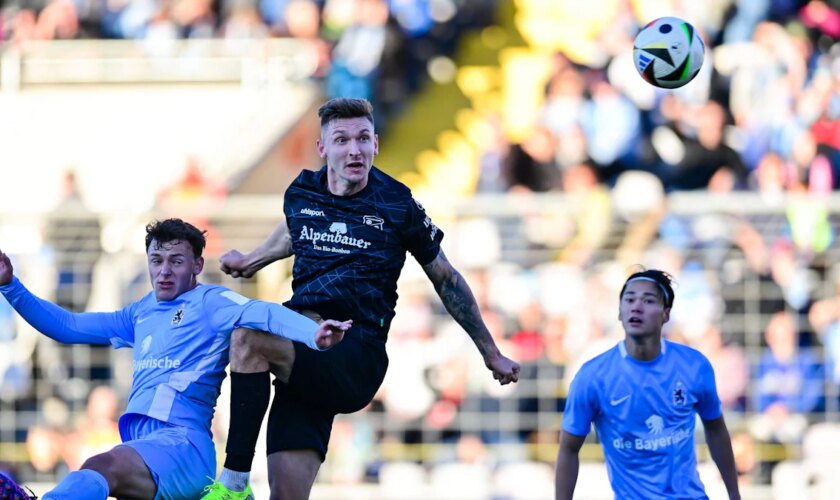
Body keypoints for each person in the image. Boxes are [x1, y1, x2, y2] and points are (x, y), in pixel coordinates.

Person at [202, 97, 520, 500]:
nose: (354, 149)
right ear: (323, 149)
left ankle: (231, 486)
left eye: (363, 138)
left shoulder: (396, 203)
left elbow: (446, 278)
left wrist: (490, 352)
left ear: (376, 144)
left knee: (247, 335)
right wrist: (253, 260)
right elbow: (295, 230)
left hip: (355, 352)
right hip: (303, 345)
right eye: (341, 140)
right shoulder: (302, 192)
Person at [0, 218, 350, 500]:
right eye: (156, 260)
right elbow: (68, 326)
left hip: (183, 447)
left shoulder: (211, 302)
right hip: (144, 447)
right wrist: (10, 285)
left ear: (197, 264)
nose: (164, 271)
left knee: (100, 466)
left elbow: (266, 314)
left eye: (176, 261)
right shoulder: (140, 313)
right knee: (104, 469)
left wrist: (313, 335)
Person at [555, 269, 741, 500]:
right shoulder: (592, 377)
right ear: (619, 313)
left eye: (648, 300)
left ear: (666, 314)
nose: (636, 306)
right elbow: (568, 449)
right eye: (629, 299)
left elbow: (716, 429)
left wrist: (734, 494)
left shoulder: (694, 366)